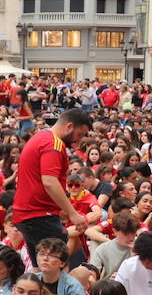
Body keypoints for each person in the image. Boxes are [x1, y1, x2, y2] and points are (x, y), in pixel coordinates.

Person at [11, 109, 92, 264]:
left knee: (40, 268)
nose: (78, 141)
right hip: (39, 215)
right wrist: (73, 213)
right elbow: (49, 181)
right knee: (55, 269)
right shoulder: (53, 143)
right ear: (69, 126)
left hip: (29, 214)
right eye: (79, 134)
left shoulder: (41, 137)